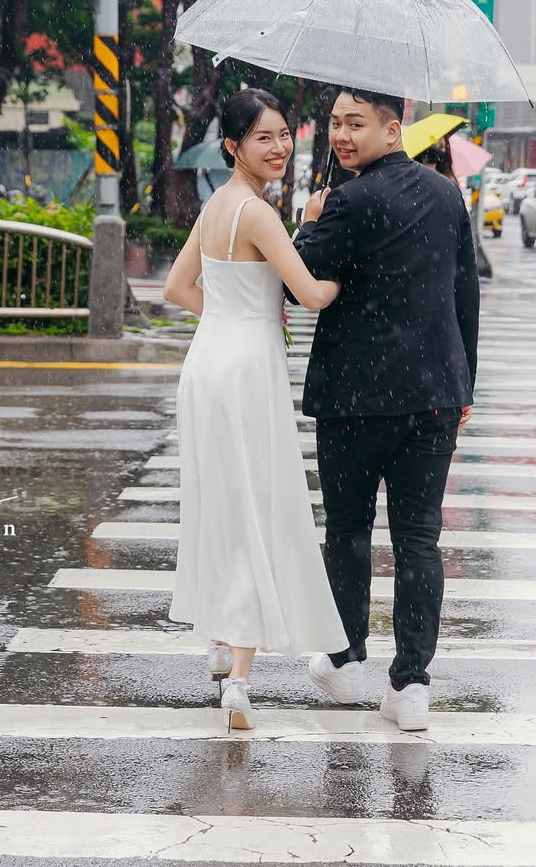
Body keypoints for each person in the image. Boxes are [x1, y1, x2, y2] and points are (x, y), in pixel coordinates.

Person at [291, 87, 480, 732]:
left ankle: (346, 660)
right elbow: (465, 294)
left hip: (356, 397)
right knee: (419, 537)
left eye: (356, 124)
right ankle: (412, 683)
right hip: (434, 395)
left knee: (348, 529)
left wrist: (310, 221)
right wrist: (464, 384)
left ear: (393, 129)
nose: (342, 135)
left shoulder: (347, 200)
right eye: (335, 123)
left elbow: (299, 277)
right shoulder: (446, 195)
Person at [163, 88, 349, 732]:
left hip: (206, 365)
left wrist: (238, 312)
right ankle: (239, 682)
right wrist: (332, 249)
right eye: (263, 137)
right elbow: (314, 295)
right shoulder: (260, 213)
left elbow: (177, 288)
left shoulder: (217, 204)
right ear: (233, 146)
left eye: (284, 135)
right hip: (246, 374)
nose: (279, 147)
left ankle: (219, 640)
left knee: (219, 504)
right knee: (253, 510)